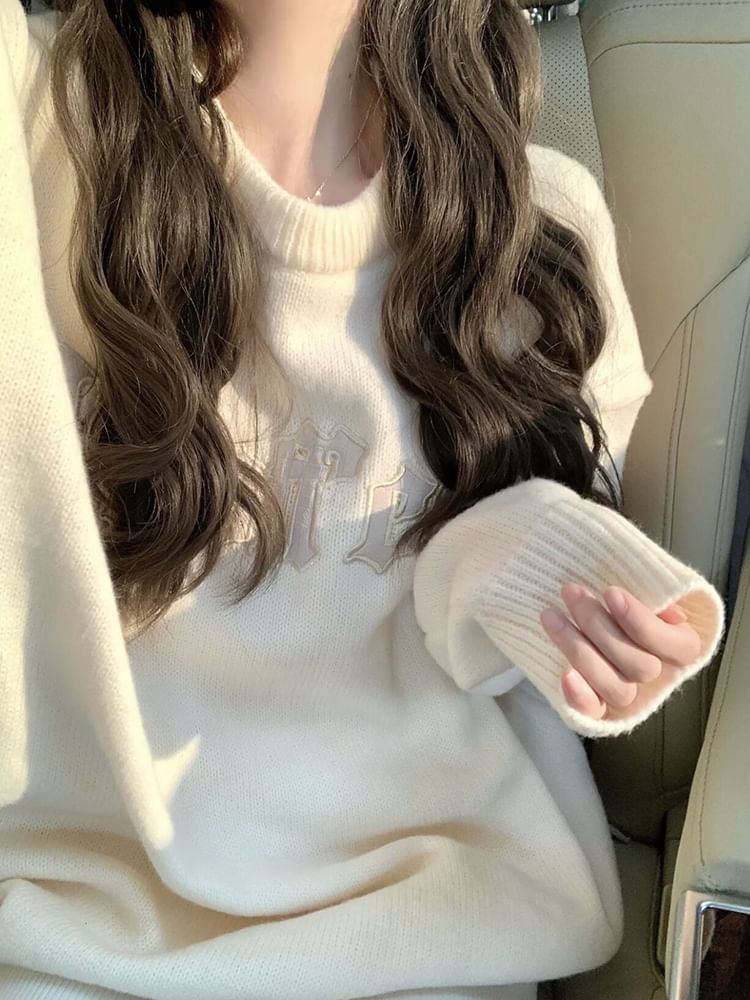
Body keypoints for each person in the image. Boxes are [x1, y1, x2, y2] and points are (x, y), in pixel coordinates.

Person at [0, 0, 726, 997]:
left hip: (433, 918)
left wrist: (546, 583)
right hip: (73, 919)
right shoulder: (34, 132)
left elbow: (519, 577)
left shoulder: (539, 229)